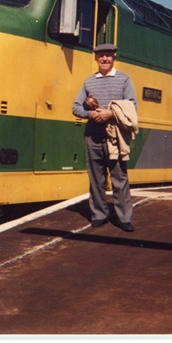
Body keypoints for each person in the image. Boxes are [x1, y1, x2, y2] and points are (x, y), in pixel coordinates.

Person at [72, 43, 138, 231]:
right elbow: (76, 107)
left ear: (114, 57)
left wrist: (110, 114)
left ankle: (124, 218)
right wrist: (91, 114)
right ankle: (99, 215)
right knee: (96, 179)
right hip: (93, 136)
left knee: (119, 178)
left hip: (115, 138)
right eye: (101, 56)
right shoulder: (88, 82)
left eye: (108, 55)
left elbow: (132, 105)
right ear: (96, 58)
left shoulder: (124, 80)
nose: (104, 59)